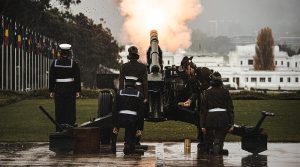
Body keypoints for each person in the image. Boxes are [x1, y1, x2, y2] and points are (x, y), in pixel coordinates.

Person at [200, 71, 234, 155]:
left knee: (210, 138)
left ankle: (213, 148)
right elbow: (230, 109)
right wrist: (232, 123)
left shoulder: (207, 93)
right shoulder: (226, 92)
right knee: (220, 137)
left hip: (210, 119)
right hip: (223, 119)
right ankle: (218, 146)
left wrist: (202, 125)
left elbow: (203, 110)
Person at [49, 43, 81, 131]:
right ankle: (70, 128)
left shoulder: (55, 63)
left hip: (59, 89)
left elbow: (51, 78)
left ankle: (59, 129)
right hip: (70, 89)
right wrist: (77, 90)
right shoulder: (73, 63)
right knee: (70, 109)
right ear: (69, 53)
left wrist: (51, 90)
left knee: (59, 109)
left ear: (60, 52)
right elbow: (77, 78)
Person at [112, 76, 144, 155]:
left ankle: (113, 146)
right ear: (134, 85)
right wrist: (140, 128)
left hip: (120, 118)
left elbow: (114, 109)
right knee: (131, 131)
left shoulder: (119, 93)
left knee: (115, 131)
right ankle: (128, 145)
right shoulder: (138, 94)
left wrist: (115, 125)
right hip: (132, 119)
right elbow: (141, 112)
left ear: (125, 84)